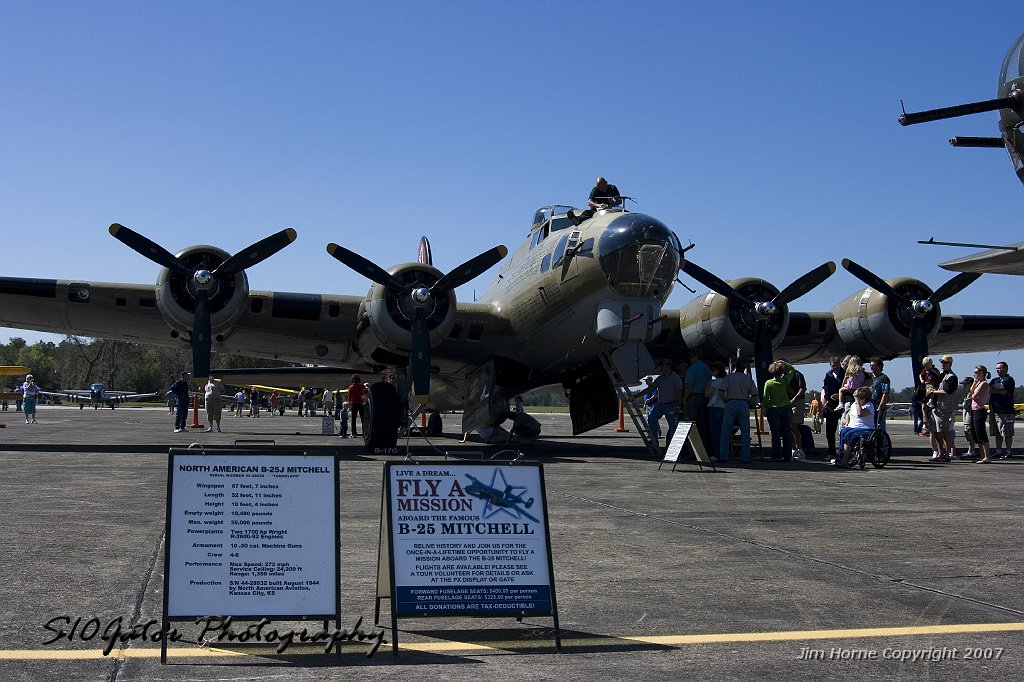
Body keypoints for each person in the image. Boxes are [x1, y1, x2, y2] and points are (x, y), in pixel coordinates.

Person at [718, 357, 758, 464]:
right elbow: (755, 395)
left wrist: (725, 401)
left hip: (731, 402)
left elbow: (721, 391)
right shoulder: (748, 379)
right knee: (745, 432)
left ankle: (723, 456)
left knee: (725, 431)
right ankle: (745, 457)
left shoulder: (729, 377)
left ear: (735, 365)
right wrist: (748, 403)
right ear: (745, 367)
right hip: (743, 403)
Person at [644, 359, 683, 449]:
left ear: (668, 366)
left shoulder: (675, 378)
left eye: (663, 365)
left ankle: (673, 448)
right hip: (661, 404)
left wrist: (678, 406)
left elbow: (679, 392)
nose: (661, 367)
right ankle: (654, 441)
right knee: (651, 418)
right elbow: (649, 389)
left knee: (673, 426)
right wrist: (636, 396)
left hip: (671, 405)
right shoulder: (660, 378)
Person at [835, 386, 876, 467]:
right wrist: (847, 423)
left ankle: (845, 460)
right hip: (853, 427)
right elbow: (848, 414)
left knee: (849, 435)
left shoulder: (869, 406)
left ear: (864, 398)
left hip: (866, 428)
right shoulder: (854, 404)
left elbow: (860, 413)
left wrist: (857, 401)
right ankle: (842, 453)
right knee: (843, 431)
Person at [763, 361, 794, 462]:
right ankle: (787, 456)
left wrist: (767, 407)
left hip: (774, 409)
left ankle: (776, 455)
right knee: (786, 433)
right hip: (786, 408)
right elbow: (792, 369)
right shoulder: (785, 381)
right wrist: (783, 363)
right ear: (781, 372)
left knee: (775, 434)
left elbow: (765, 398)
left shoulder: (769, 383)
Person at [930, 355, 958, 462]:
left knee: (944, 430)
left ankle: (947, 453)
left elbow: (947, 391)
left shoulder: (952, 377)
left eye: (945, 362)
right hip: (936, 406)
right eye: (942, 362)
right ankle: (940, 452)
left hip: (945, 407)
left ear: (950, 364)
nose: (942, 364)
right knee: (936, 430)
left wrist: (933, 392)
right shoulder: (941, 375)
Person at [683, 351, 712, 451]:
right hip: (705, 398)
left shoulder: (691, 369)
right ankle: (703, 450)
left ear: (696, 357)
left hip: (693, 397)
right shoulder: (707, 369)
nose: (690, 359)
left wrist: (684, 398)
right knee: (703, 425)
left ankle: (692, 451)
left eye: (691, 357)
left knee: (691, 425)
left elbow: (689, 386)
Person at [779, 360, 807, 460]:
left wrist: (794, 399)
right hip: (787, 402)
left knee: (794, 426)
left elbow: (802, 388)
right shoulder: (784, 376)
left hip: (797, 402)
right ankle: (794, 449)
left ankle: (800, 450)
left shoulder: (797, 374)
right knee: (789, 427)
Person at [988, 361, 1016, 459]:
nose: (997, 370)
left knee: (1007, 432)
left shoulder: (1009, 379)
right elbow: (989, 389)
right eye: (996, 368)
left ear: (1005, 369)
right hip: (995, 410)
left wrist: (995, 389)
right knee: (997, 433)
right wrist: (997, 391)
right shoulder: (994, 379)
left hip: (1005, 411)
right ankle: (998, 450)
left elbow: (1003, 389)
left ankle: (1008, 451)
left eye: (999, 368)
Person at [918, 356, 941, 457]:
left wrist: (931, 370)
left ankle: (940, 451)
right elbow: (920, 375)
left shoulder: (934, 370)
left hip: (932, 386)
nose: (926, 368)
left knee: (931, 389)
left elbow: (938, 375)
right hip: (927, 385)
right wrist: (922, 380)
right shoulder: (925, 371)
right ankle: (924, 422)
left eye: (927, 365)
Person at [822, 357, 845, 460]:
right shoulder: (828, 375)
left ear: (840, 364)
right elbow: (825, 387)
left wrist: (839, 395)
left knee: (843, 429)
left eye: (836, 364)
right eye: (832, 365)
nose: (834, 367)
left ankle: (844, 452)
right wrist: (824, 399)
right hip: (830, 405)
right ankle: (831, 452)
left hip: (842, 403)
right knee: (830, 431)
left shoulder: (845, 374)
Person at [705, 362, 728, 461]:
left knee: (715, 433)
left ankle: (717, 454)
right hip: (725, 408)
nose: (711, 371)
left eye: (713, 370)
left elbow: (707, 394)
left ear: (717, 371)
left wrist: (708, 384)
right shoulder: (727, 381)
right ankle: (725, 453)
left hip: (715, 408)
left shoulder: (715, 382)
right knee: (725, 433)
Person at [971, 365, 993, 463]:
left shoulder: (984, 384)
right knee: (976, 433)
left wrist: (974, 390)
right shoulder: (978, 383)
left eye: (976, 372)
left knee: (981, 433)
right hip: (974, 409)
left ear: (981, 373)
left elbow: (974, 396)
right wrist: (974, 383)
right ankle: (982, 455)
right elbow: (971, 391)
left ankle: (987, 456)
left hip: (979, 410)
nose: (974, 374)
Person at [868, 358, 891, 432]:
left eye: (873, 365)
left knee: (880, 426)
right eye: (870, 365)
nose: (871, 367)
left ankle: (882, 442)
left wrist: (881, 406)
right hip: (870, 405)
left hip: (878, 405)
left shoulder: (884, 378)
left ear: (879, 366)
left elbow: (885, 393)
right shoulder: (870, 378)